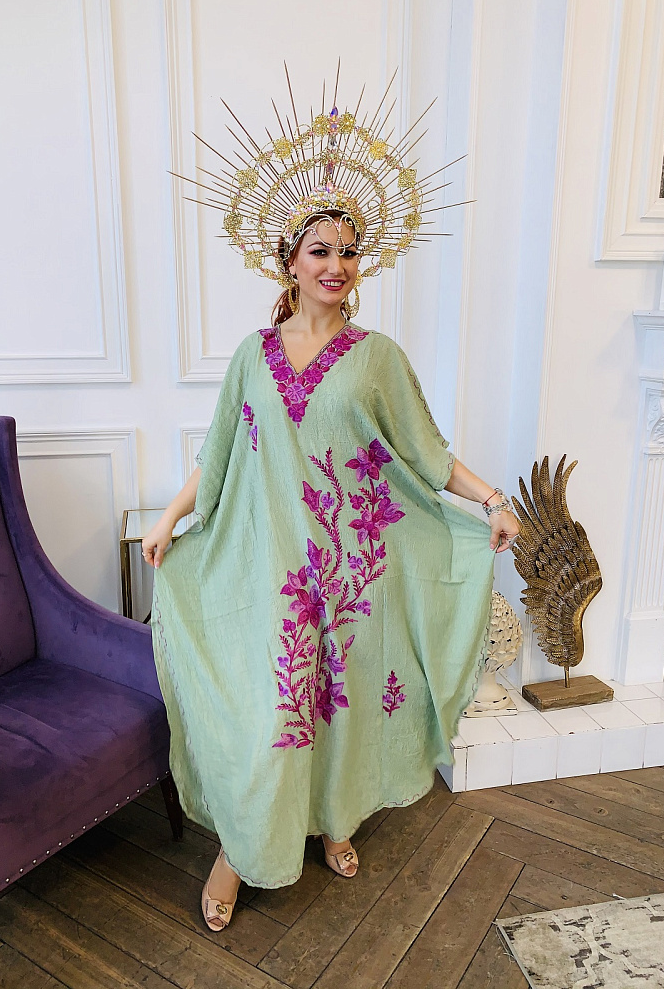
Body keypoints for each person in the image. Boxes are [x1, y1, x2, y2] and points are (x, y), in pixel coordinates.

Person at [142, 87, 521, 932]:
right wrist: (169, 519)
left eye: (349, 252)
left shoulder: (377, 357)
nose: (336, 265)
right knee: (272, 715)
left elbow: (425, 454)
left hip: (354, 577)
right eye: (320, 250)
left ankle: (335, 821)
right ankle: (238, 852)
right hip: (270, 575)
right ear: (289, 261)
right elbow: (218, 456)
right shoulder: (252, 356)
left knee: (342, 712)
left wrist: (492, 498)